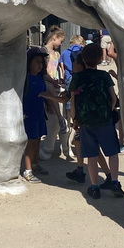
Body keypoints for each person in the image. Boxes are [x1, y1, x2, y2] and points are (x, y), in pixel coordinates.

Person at [68, 42, 124, 199]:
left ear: (83, 60)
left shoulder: (77, 78)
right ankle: (114, 182)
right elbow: (113, 98)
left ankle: (94, 187)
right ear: (100, 59)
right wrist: (110, 110)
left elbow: (73, 101)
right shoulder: (104, 76)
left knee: (91, 155)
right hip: (104, 119)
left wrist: (75, 119)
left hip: (85, 121)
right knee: (112, 153)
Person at [39, 27, 69, 162]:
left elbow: (56, 70)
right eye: (60, 41)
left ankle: (64, 145)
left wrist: (59, 80)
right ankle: (59, 118)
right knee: (54, 118)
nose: (61, 44)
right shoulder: (43, 52)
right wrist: (53, 81)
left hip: (55, 83)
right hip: (46, 83)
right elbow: (43, 72)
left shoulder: (56, 54)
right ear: (54, 37)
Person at [21, 48, 50, 182]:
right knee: (30, 142)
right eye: (37, 61)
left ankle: (35, 164)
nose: (40, 65)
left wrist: (49, 105)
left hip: (39, 114)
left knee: (37, 140)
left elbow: (44, 95)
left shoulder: (39, 78)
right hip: (28, 115)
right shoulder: (24, 79)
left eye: (42, 62)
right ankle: (27, 171)